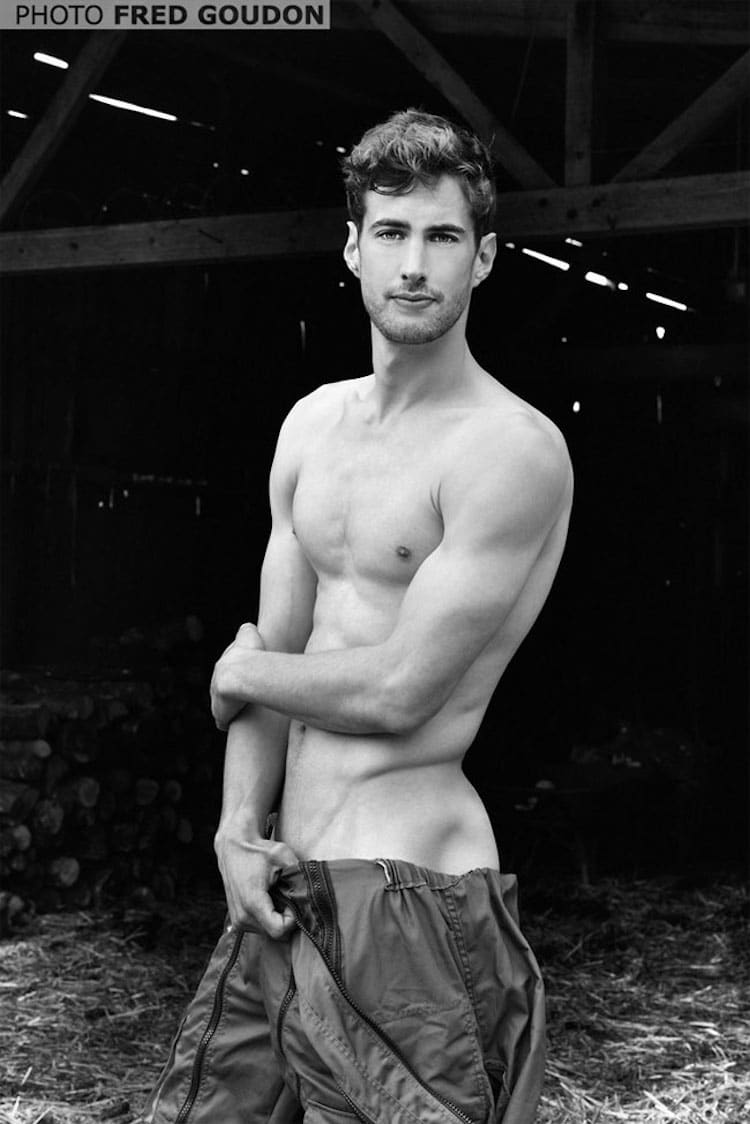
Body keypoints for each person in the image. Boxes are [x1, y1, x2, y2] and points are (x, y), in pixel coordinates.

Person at [139, 108, 573, 1124]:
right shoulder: (311, 426)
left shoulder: (509, 448)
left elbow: (399, 688)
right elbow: (282, 639)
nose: (414, 264)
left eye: (443, 235)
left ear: (483, 257)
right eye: (392, 232)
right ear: (353, 247)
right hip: (282, 887)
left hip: (404, 895)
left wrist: (241, 670)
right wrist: (235, 830)